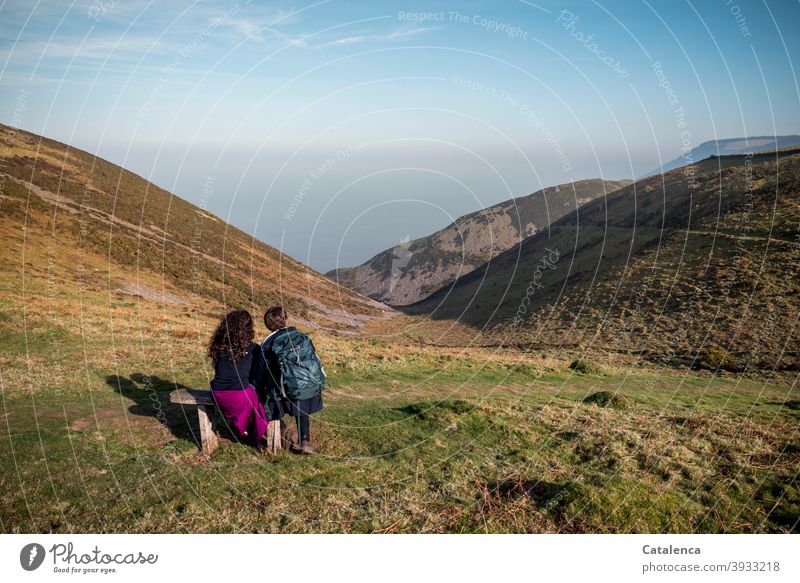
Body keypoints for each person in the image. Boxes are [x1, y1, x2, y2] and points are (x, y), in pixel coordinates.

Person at [254, 305, 325, 455]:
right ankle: (305, 441)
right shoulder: (302, 336)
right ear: (285, 320)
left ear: (268, 325)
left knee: (267, 398)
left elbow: (260, 372)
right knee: (300, 398)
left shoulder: (267, 345)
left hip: (281, 393)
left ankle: (275, 440)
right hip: (306, 388)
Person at [208, 309, 269, 448]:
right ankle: (252, 432)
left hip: (217, 393)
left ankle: (244, 426)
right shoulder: (253, 348)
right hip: (238, 395)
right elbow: (257, 373)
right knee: (255, 396)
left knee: (248, 392)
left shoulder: (218, 345)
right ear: (248, 328)